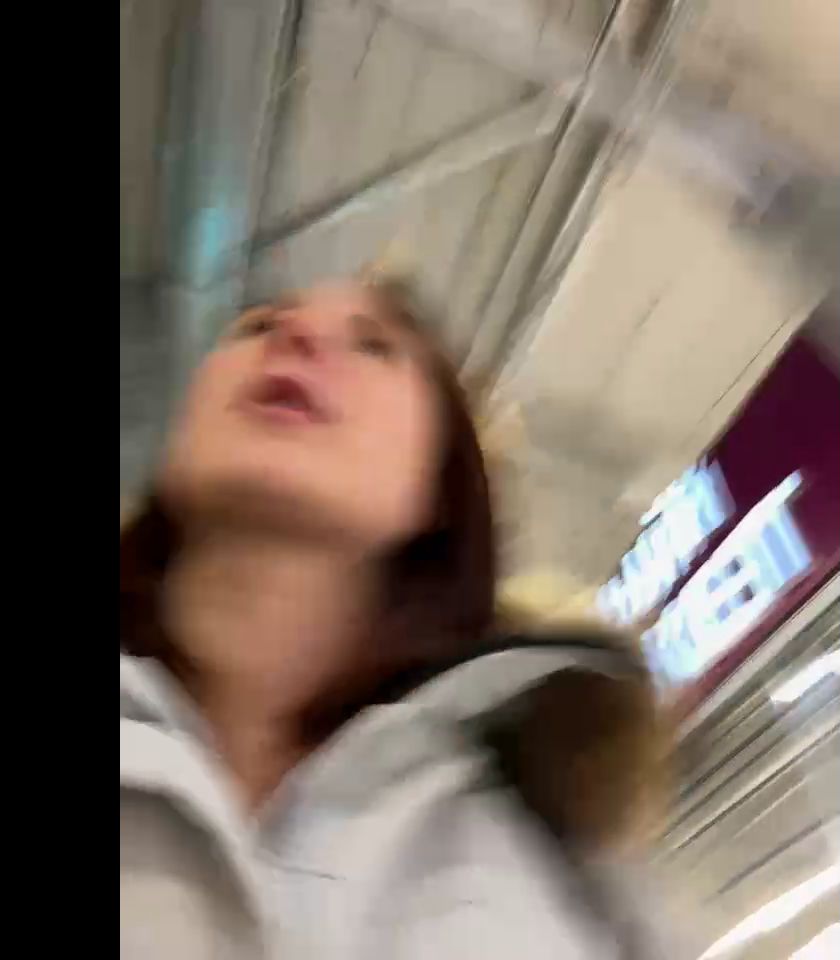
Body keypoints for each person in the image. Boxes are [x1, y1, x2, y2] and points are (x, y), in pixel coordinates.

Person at [120, 277, 671, 959]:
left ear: (441, 487)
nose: (297, 335)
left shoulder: (553, 873)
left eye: (375, 345)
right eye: (258, 326)